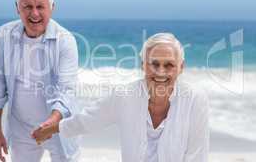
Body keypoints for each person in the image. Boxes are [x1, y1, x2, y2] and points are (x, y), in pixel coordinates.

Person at [32, 33, 209, 162]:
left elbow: (197, 156)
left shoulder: (195, 100)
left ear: (181, 67)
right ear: (143, 66)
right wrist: (50, 129)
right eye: (154, 64)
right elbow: (89, 119)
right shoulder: (125, 96)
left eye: (169, 65)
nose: (160, 72)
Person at [0, 0, 80, 162]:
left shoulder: (66, 40)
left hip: (58, 125)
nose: (34, 13)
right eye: (27, 6)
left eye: (40, 6)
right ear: (17, 8)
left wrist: (51, 123)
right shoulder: (3, 36)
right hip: (20, 127)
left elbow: (67, 91)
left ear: (52, 7)